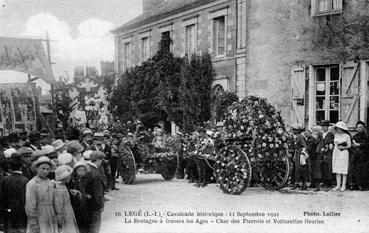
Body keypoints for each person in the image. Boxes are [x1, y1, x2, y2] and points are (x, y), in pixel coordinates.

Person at [25, 156, 60, 233]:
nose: (45, 171)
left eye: (47, 169)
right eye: (43, 168)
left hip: (51, 214)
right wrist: (33, 223)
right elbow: (30, 205)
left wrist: (58, 215)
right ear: (37, 168)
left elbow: (55, 201)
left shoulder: (50, 182)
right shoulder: (32, 184)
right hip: (39, 215)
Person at [0, 153, 29, 233]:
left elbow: (2, 198)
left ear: (10, 166)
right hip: (22, 214)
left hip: (8, 212)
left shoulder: (4, 180)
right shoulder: (25, 180)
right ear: (22, 166)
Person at [54, 165, 79, 233]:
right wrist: (60, 220)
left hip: (68, 211)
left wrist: (70, 192)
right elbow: (58, 206)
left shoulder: (63, 186)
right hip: (64, 214)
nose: (70, 177)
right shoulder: (58, 189)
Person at [85, 151, 105, 233]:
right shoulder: (96, 173)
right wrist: (101, 204)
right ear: (98, 160)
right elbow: (98, 191)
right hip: (95, 204)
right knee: (95, 225)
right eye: (101, 160)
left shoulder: (87, 168)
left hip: (87, 201)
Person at [71, 161, 91, 233]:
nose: (81, 172)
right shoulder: (73, 180)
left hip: (85, 203)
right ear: (75, 171)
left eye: (83, 170)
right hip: (77, 204)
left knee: (86, 220)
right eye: (79, 170)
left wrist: (88, 195)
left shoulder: (87, 180)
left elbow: (89, 190)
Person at [332, 121, 351, 192]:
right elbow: (335, 143)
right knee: (337, 169)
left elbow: (349, 146)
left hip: (344, 152)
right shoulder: (336, 135)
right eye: (337, 128)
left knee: (343, 168)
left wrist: (343, 148)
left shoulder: (347, 136)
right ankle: (338, 185)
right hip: (336, 152)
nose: (338, 129)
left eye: (339, 128)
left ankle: (344, 185)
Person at [351, 121, 369, 190]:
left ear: (364, 128)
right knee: (355, 170)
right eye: (358, 127)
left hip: (365, 155)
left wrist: (359, 145)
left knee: (364, 170)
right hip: (356, 155)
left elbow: (367, 145)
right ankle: (356, 184)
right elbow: (352, 145)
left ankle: (363, 185)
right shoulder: (355, 136)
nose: (359, 129)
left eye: (361, 127)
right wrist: (354, 146)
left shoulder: (367, 136)